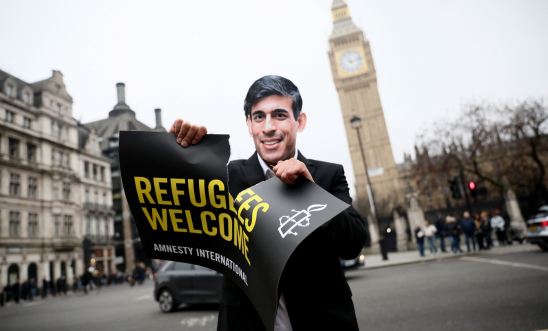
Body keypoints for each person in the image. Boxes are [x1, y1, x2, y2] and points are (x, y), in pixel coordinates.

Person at [169, 75, 367, 331]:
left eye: (280, 115)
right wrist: (176, 159)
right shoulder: (224, 178)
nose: (268, 127)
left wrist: (311, 192)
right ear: (249, 125)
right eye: (259, 117)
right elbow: (185, 226)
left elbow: (353, 244)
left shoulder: (328, 175)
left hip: (323, 320)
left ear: (300, 121)